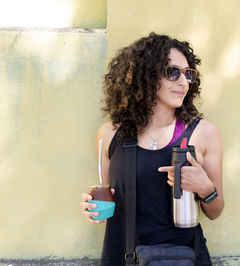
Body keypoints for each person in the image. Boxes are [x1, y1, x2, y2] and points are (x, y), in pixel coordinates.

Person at [80, 32, 224, 265]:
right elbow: (113, 200)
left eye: (188, 74)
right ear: (145, 75)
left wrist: (205, 187)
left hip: (182, 259)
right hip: (125, 257)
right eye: (172, 72)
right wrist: (93, 206)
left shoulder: (203, 133)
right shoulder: (110, 134)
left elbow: (215, 211)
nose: (184, 82)